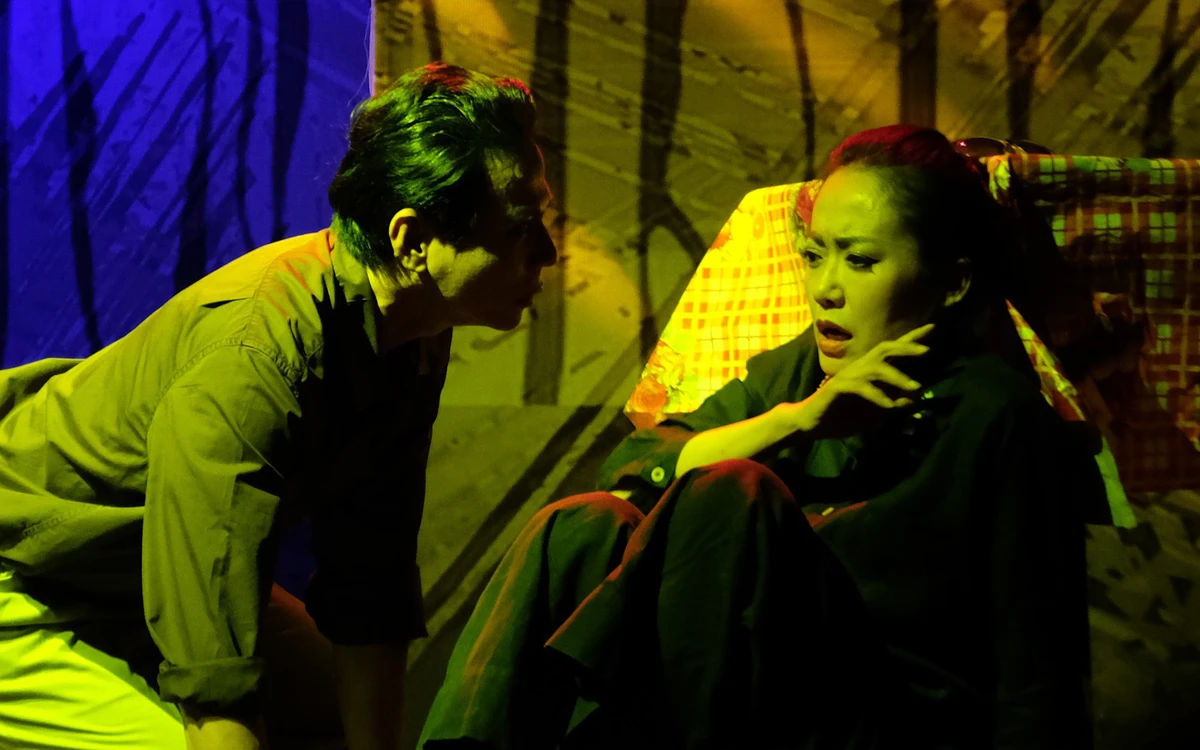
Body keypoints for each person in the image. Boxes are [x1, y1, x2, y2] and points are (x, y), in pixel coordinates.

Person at [419, 125, 1104, 749]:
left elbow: (1038, 668)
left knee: (732, 493)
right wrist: (796, 420)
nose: (826, 288)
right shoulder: (799, 373)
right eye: (816, 255)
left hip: (877, 719)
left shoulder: (997, 413)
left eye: (860, 261)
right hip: (743, 695)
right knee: (579, 526)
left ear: (951, 283)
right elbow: (634, 466)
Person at [0, 62, 556, 750]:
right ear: (412, 242)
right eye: (521, 227)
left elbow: (370, 587)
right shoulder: (258, 357)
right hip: (26, 579)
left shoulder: (413, 337)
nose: (548, 252)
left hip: (129, 583)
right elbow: (215, 673)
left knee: (328, 717)